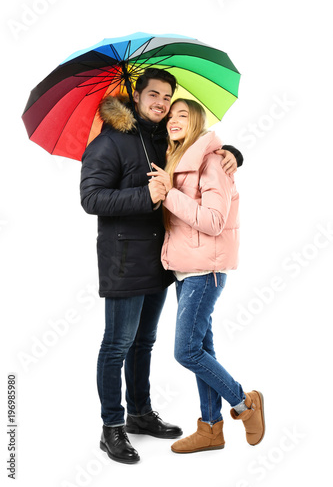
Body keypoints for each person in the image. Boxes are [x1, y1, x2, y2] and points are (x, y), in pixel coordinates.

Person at [80, 68, 244, 464]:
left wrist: (234, 153)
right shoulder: (109, 142)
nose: (161, 103)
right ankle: (112, 427)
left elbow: (195, 157)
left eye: (167, 98)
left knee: (144, 343)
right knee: (116, 344)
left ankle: (139, 412)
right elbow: (91, 199)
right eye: (153, 95)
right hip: (123, 259)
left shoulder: (160, 137)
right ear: (135, 96)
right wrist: (143, 194)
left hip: (160, 260)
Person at [147, 98, 265, 454]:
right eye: (170, 116)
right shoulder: (177, 162)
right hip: (187, 271)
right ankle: (211, 428)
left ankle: (245, 404)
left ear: (197, 122)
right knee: (202, 349)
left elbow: (213, 221)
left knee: (185, 352)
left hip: (204, 273)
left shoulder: (211, 162)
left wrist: (168, 195)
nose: (173, 120)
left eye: (182, 115)